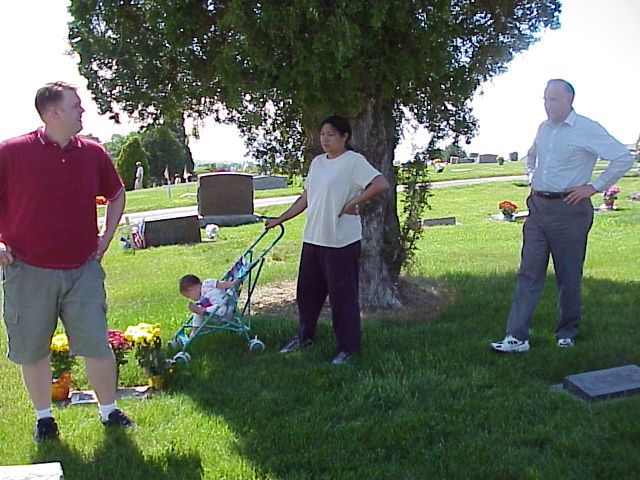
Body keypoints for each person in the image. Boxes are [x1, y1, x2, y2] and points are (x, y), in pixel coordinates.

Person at [0, 81, 132, 442]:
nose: (83, 111)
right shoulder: (11, 153)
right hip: (27, 269)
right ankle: (44, 419)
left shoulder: (93, 153)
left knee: (96, 343)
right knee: (32, 348)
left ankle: (109, 411)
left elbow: (117, 194)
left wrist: (106, 237)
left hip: (82, 269)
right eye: (76, 105)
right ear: (53, 112)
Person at [490, 79, 634, 353]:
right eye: (545, 99)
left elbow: (623, 157)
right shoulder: (544, 129)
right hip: (538, 209)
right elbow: (532, 156)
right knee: (528, 271)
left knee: (568, 274)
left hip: (570, 210)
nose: (548, 105)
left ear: (569, 100)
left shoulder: (586, 128)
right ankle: (516, 337)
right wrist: (532, 179)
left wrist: (593, 187)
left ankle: (566, 332)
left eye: (553, 99)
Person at [265, 115, 390, 365]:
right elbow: (306, 198)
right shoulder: (318, 163)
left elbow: (381, 184)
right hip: (314, 238)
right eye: (322, 134)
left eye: (331, 134)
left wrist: (353, 202)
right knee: (307, 294)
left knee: (342, 298)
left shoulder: (354, 161)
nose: (325, 139)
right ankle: (304, 336)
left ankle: (348, 348)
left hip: (340, 241)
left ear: (345, 136)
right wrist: (280, 219)